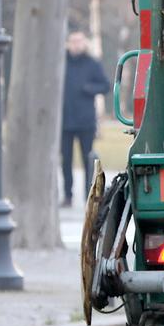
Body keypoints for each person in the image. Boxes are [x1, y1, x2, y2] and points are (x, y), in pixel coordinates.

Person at [60, 30, 110, 207]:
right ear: (67, 43)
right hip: (64, 120)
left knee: (87, 158)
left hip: (85, 120)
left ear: (84, 43)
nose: (76, 45)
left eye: (79, 41)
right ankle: (67, 195)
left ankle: (88, 195)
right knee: (65, 160)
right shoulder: (61, 62)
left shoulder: (92, 63)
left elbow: (105, 85)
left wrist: (88, 88)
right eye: (72, 41)